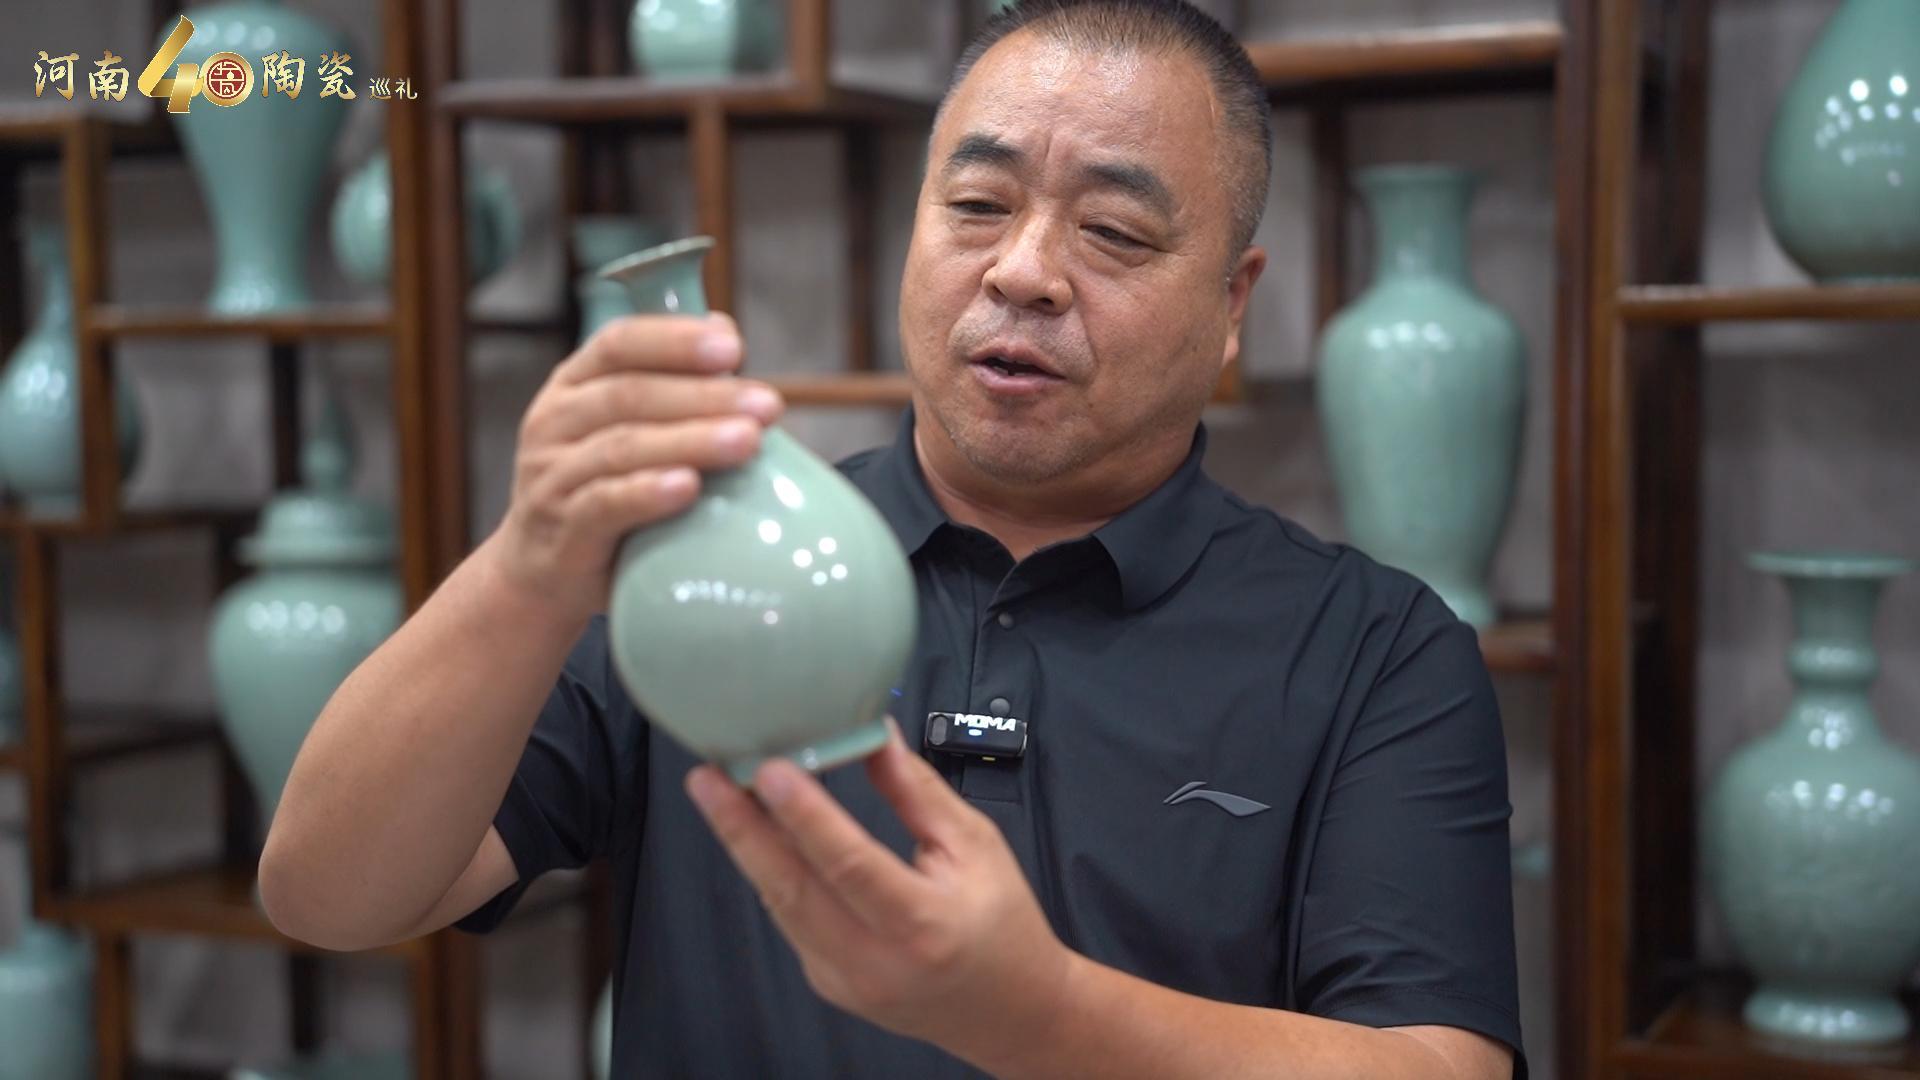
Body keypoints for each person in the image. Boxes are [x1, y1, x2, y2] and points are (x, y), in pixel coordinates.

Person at [260, 1, 1525, 1076]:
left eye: (1114, 233)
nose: (1023, 271)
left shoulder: (1374, 650)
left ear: (1232, 302)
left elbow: (1436, 1064)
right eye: (976, 203)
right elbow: (329, 894)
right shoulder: (702, 574)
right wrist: (527, 568)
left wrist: (1039, 1012)